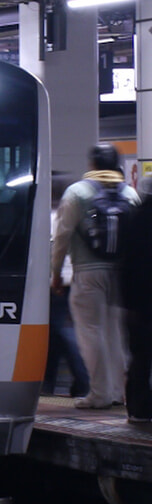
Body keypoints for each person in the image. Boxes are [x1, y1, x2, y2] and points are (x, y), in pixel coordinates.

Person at [51, 144, 141, 409]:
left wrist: (56, 273)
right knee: (117, 334)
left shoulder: (77, 193)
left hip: (88, 274)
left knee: (91, 332)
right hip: (121, 274)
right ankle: (116, 391)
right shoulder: (131, 194)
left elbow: (62, 238)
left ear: (91, 164)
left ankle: (99, 394)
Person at [43, 176, 89, 397]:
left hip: (56, 282)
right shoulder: (72, 217)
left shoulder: (47, 218)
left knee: (62, 330)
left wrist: (55, 276)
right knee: (54, 333)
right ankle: (47, 383)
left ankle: (83, 381)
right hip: (77, 280)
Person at [120, 174, 152, 422]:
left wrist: (128, 303)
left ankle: (138, 409)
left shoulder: (134, 219)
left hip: (139, 304)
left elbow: (128, 266)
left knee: (140, 357)